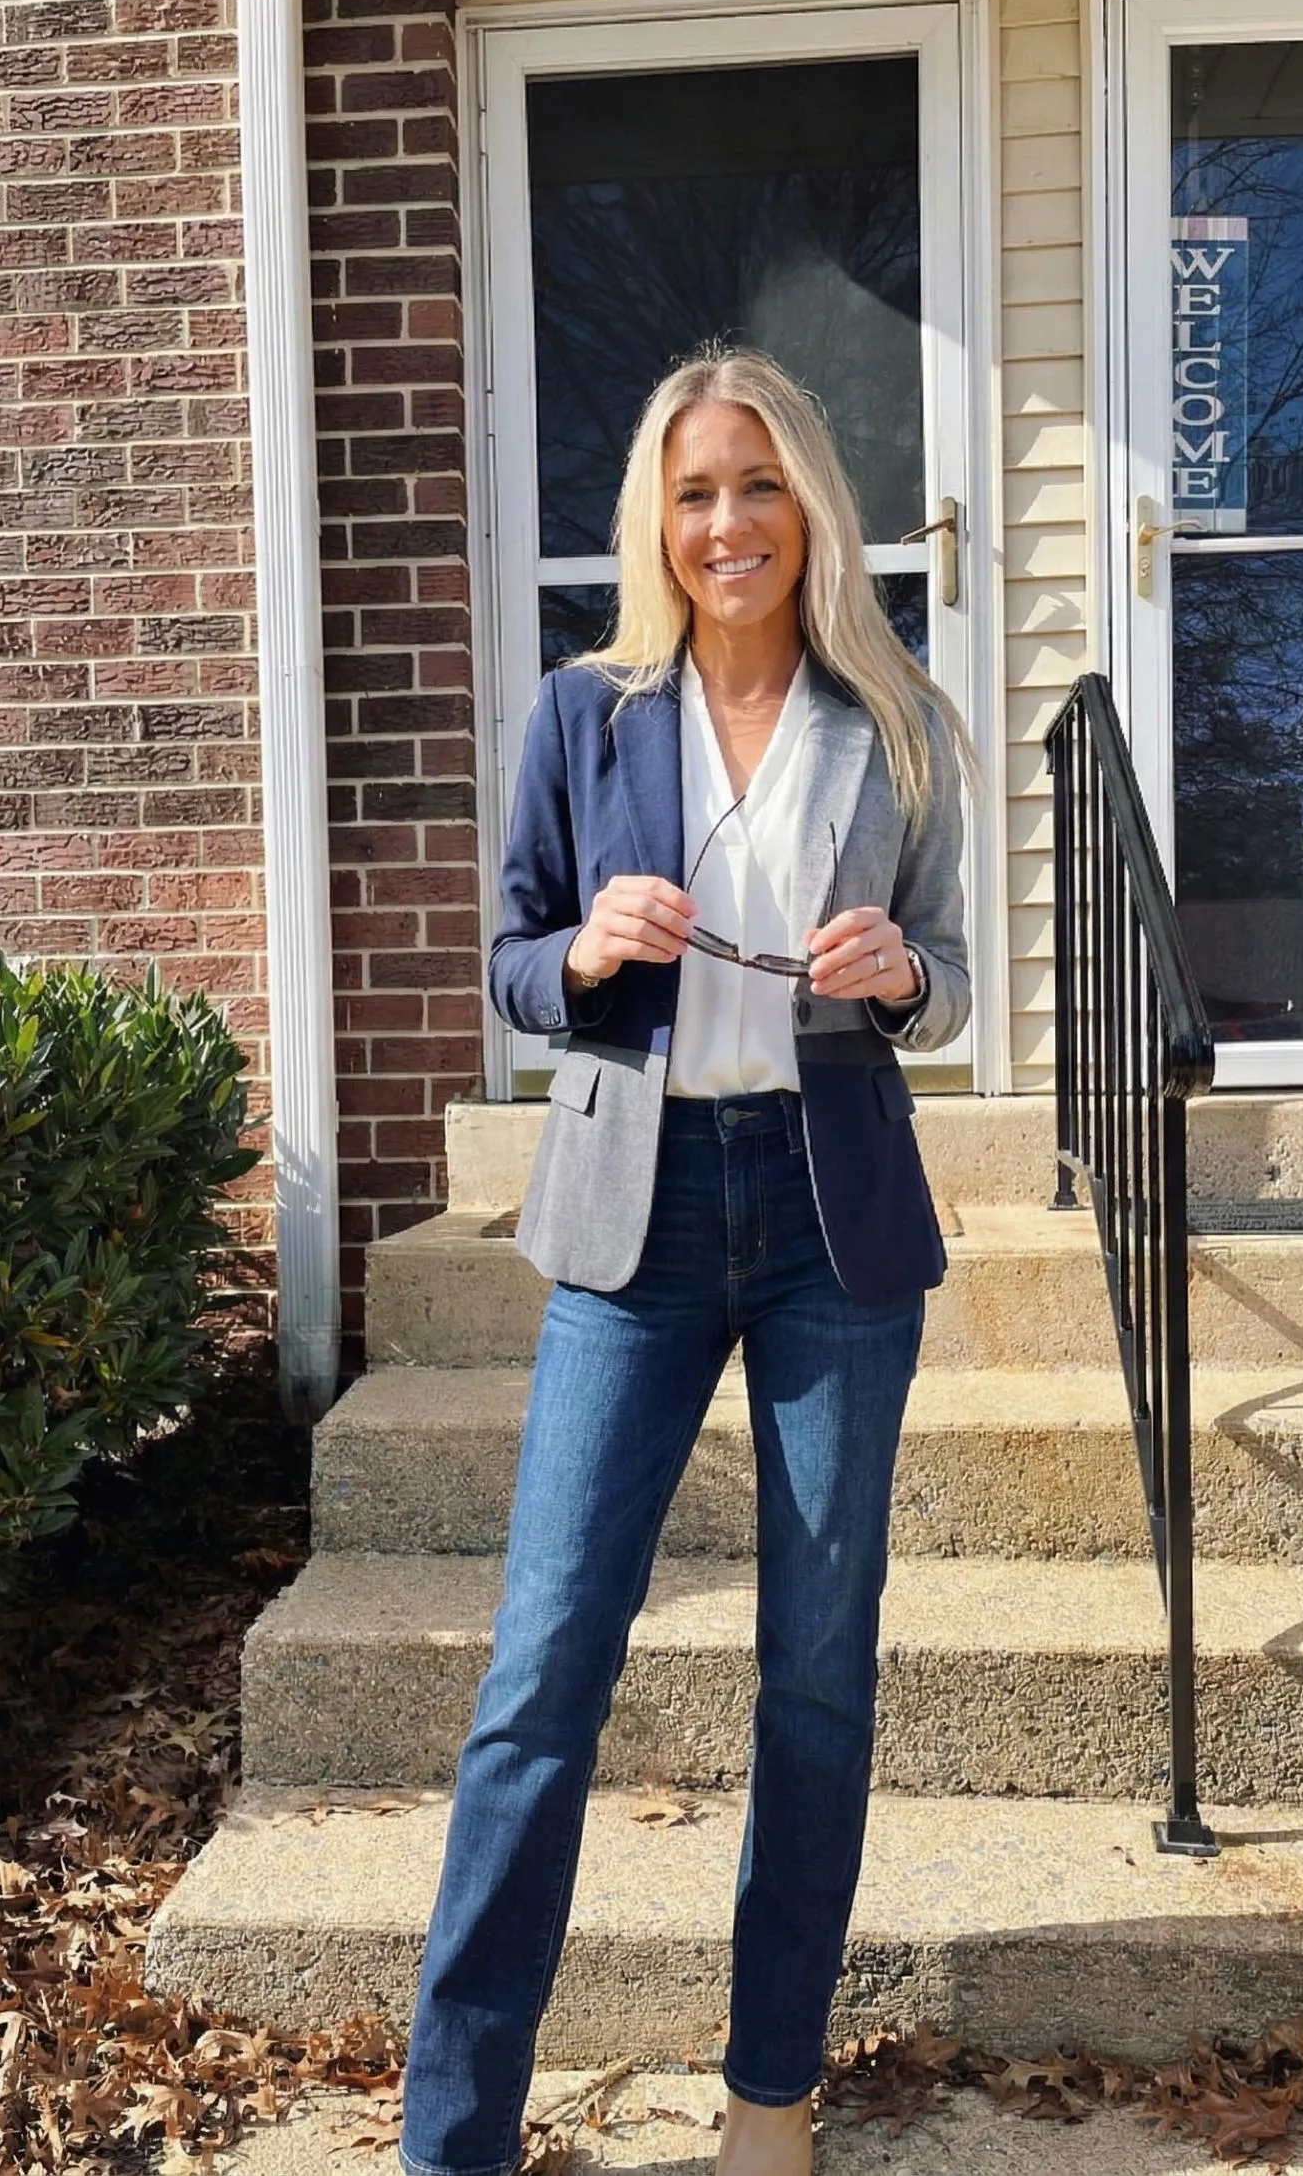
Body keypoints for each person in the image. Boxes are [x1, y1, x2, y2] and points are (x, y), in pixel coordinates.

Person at [398, 345, 974, 2176]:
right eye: (696, 489)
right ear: (658, 518)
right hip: (630, 1221)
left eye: (760, 484)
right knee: (541, 1673)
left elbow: (951, 979)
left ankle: (768, 2102)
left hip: (829, 1218)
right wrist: (580, 955)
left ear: (811, 506)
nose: (731, 522)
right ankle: (454, 2135)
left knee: (815, 1674)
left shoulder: (895, 717)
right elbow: (510, 957)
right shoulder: (585, 711)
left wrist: (905, 977)